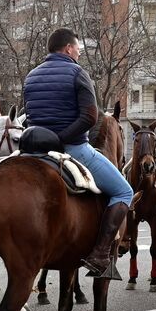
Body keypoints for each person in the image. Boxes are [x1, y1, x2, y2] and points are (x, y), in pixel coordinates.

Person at [23, 27, 133, 279]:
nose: (80, 55)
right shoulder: (77, 73)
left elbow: (31, 116)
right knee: (124, 190)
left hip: (33, 151)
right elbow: (89, 117)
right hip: (72, 149)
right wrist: (59, 139)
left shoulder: (31, 76)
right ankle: (101, 254)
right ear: (69, 49)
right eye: (79, 50)